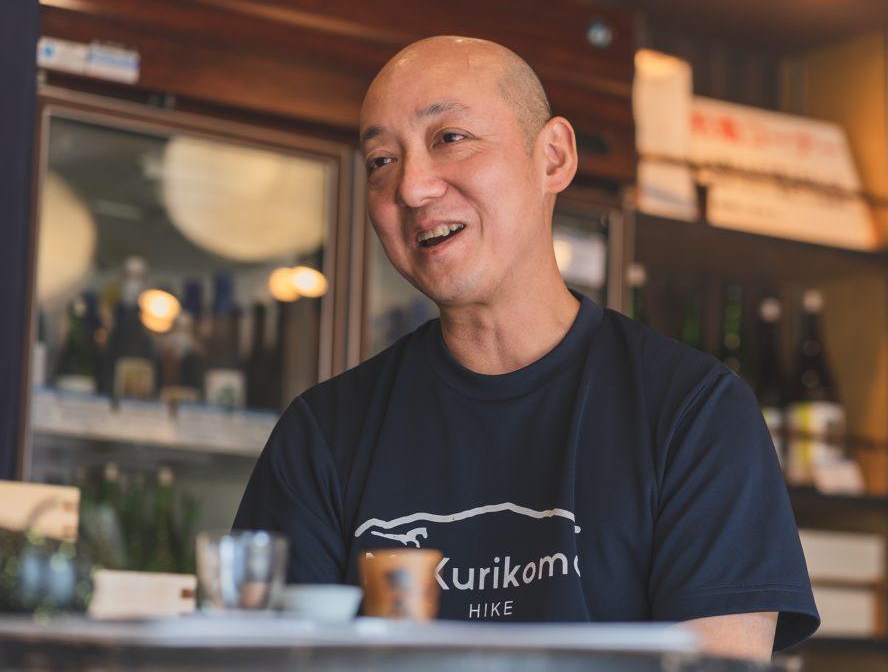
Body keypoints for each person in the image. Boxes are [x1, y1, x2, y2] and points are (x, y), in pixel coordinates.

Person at [234, 35, 819, 660]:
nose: (411, 187)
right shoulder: (323, 434)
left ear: (553, 158)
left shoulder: (694, 412)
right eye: (381, 160)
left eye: (449, 137)